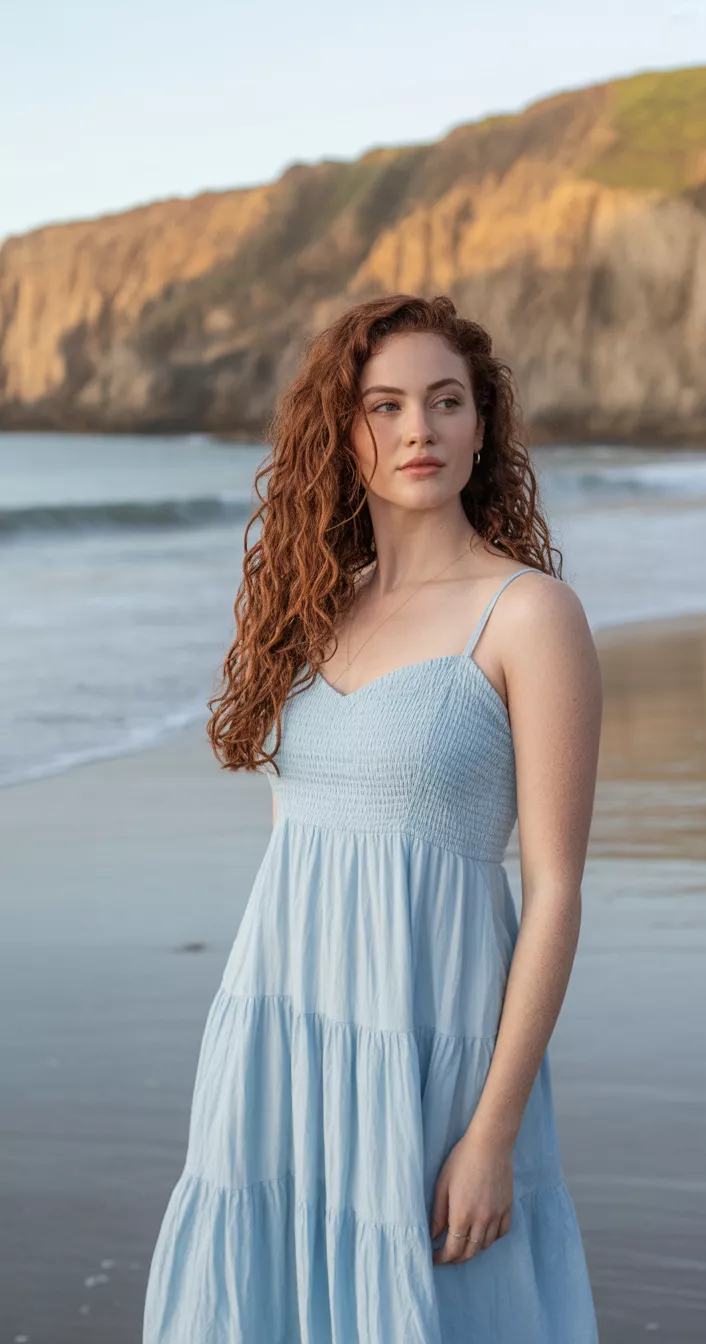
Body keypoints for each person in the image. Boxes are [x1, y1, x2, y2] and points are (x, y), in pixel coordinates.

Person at [142, 292, 603, 1342]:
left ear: (481, 424)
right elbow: (293, 845)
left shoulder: (527, 613)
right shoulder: (315, 611)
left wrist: (492, 1130)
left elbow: (559, 890)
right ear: (343, 433)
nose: (417, 431)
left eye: (445, 402)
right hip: (279, 1036)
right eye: (384, 405)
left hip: (427, 1045)